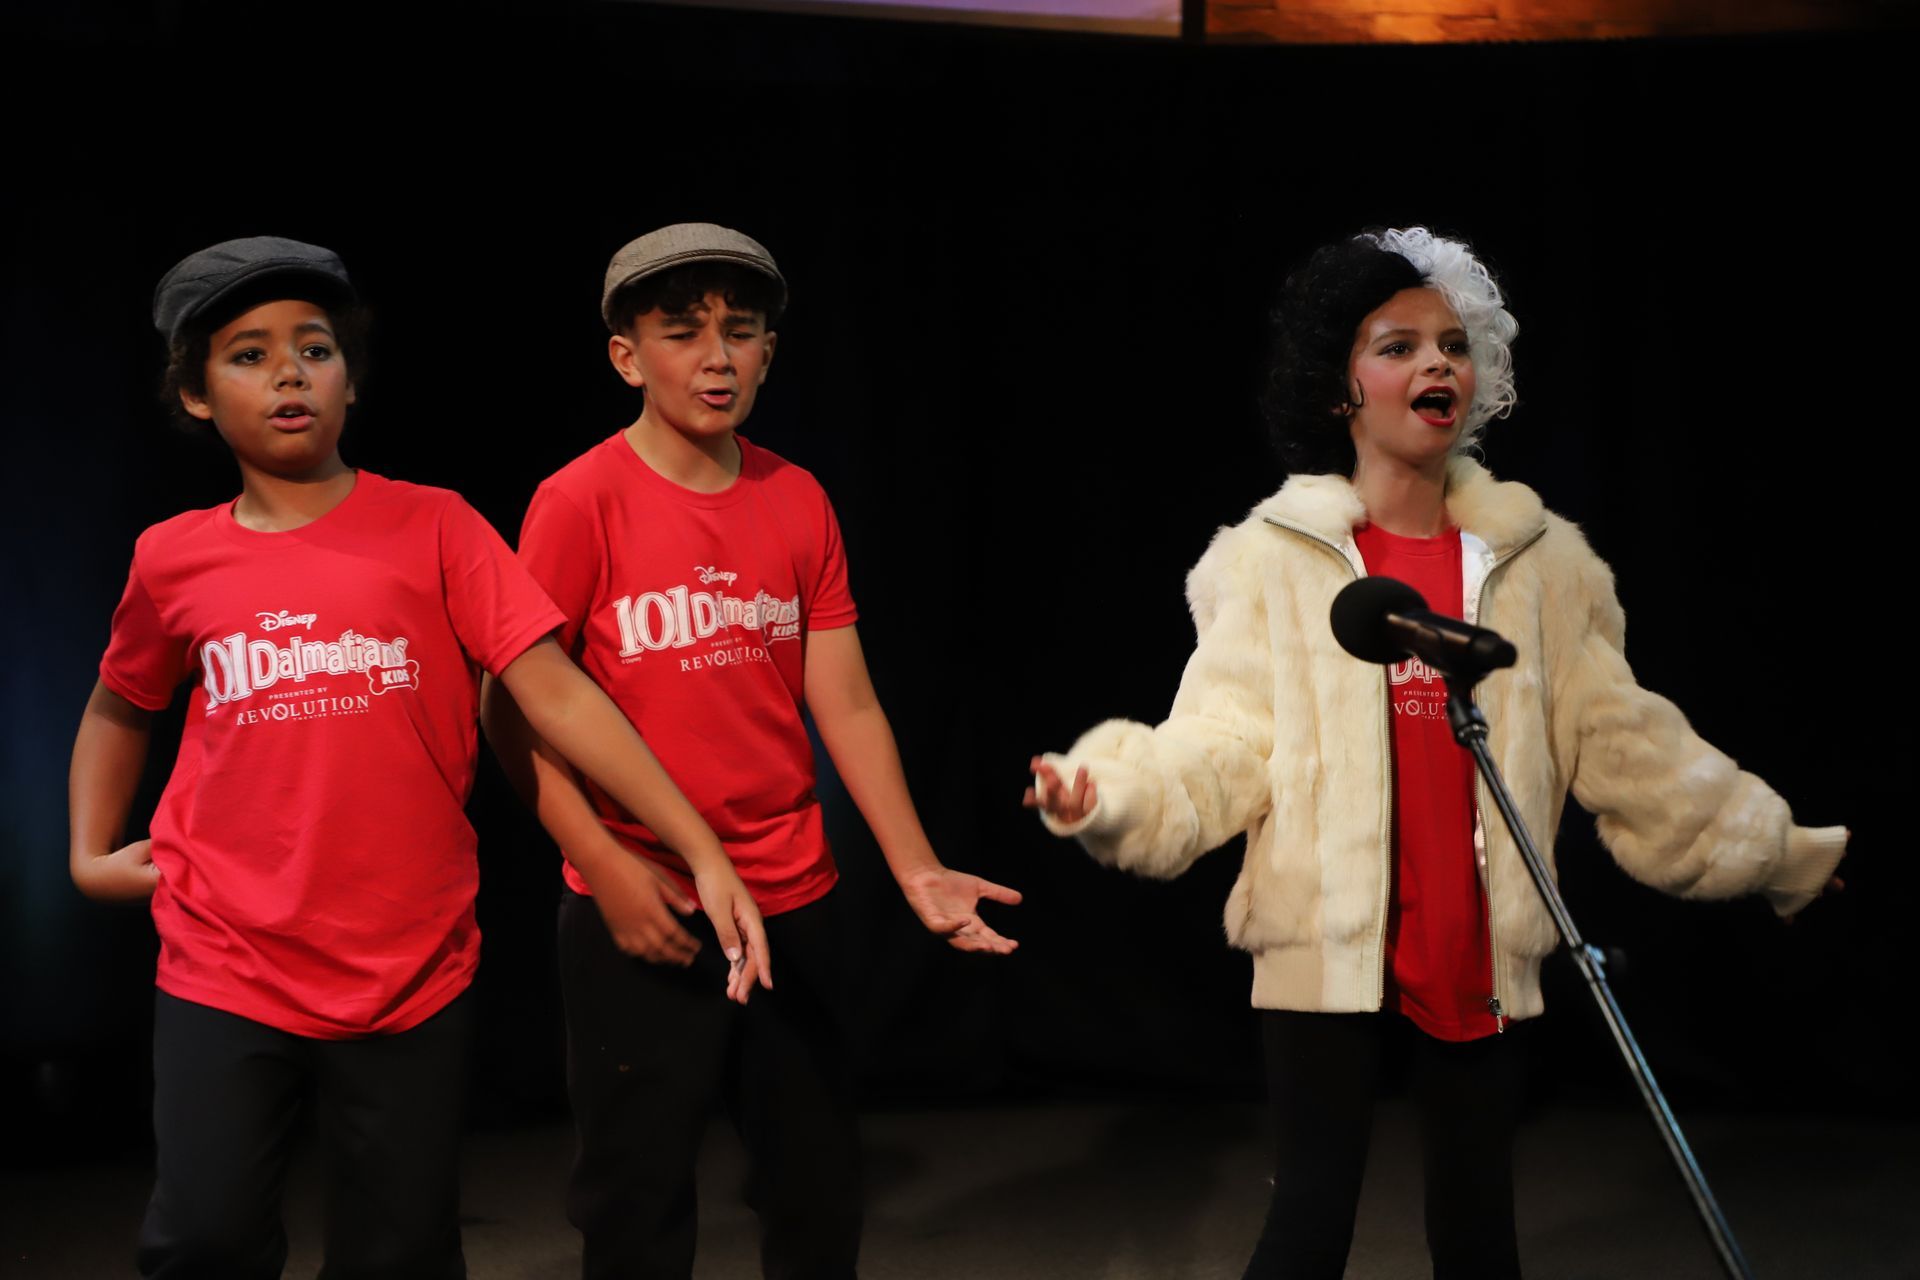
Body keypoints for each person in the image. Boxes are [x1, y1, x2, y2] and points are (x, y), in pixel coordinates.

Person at [1025, 226, 1848, 1279]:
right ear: (1340, 387)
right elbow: (1220, 739)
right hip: (1324, 931)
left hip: (1478, 936)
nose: (1436, 366)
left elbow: (1626, 738)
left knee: (1479, 1238)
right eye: (1399, 346)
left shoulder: (1538, 564)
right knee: (1307, 1228)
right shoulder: (1275, 560)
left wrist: (1775, 850)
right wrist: (1109, 791)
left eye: (1454, 345)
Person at [70, 236, 767, 1279]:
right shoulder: (173, 555)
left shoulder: (434, 525)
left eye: (315, 349)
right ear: (198, 394)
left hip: (407, 961)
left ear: (350, 378)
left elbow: (556, 693)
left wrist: (697, 848)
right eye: (250, 355)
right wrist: (88, 853)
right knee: (205, 1236)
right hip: (227, 952)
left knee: (398, 1252)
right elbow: (120, 703)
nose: (291, 373)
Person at [482, 222, 1020, 1280]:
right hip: (647, 898)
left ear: (770, 352)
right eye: (683, 332)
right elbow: (514, 710)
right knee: (635, 1201)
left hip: (790, 894)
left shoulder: (796, 496)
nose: (716, 356)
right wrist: (605, 864)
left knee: (816, 1189)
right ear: (627, 357)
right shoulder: (579, 501)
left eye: (741, 331)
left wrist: (915, 865)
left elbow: (846, 702)